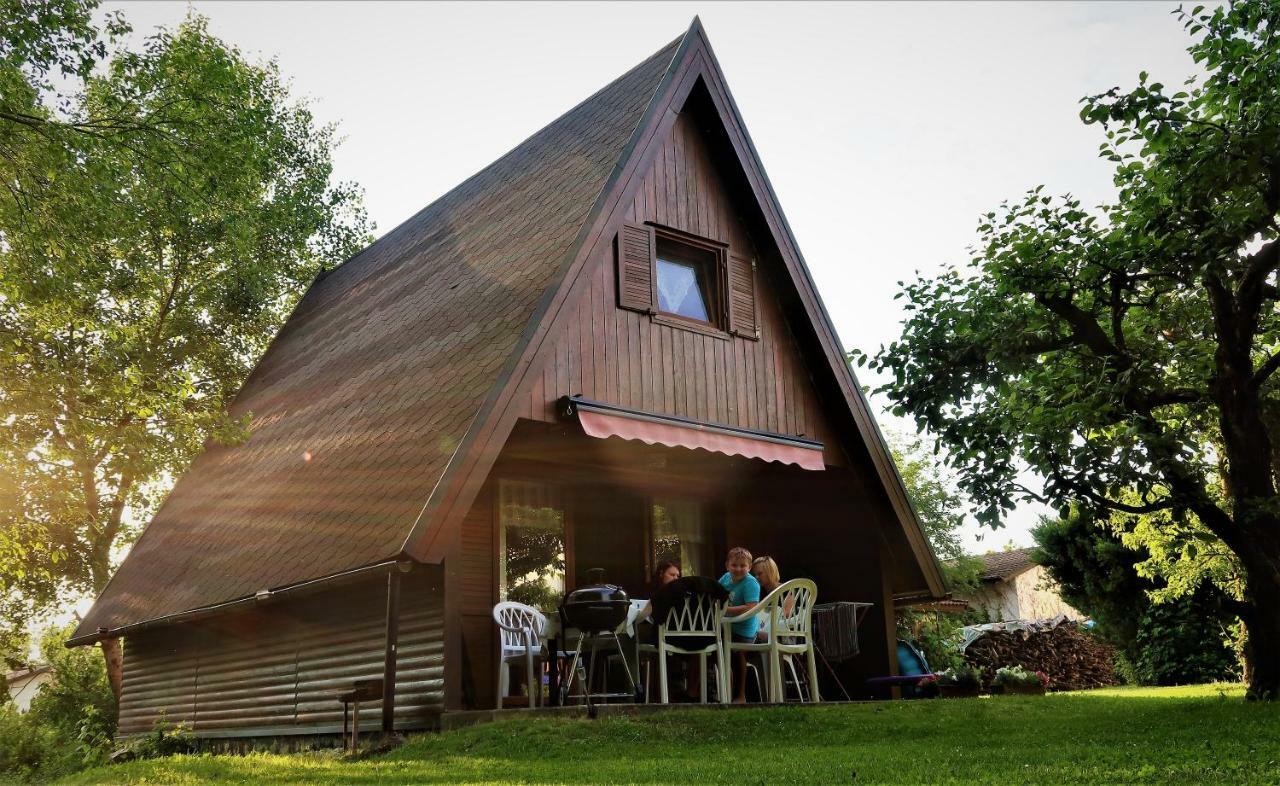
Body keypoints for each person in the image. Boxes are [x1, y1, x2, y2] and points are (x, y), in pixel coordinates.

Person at [719, 546, 761, 702]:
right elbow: (716, 594)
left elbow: (751, 607)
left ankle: (740, 695)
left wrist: (726, 610)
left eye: (743, 566)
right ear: (727, 565)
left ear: (749, 567)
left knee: (738, 653)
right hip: (726, 627)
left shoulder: (751, 583)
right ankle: (719, 692)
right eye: (734, 565)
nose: (738, 569)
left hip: (745, 630)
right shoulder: (725, 579)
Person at [750, 556, 795, 642]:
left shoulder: (787, 590)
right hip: (764, 630)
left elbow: (786, 615)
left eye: (760, 574)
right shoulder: (759, 592)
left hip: (783, 633)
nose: (756, 577)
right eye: (755, 575)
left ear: (770, 572)